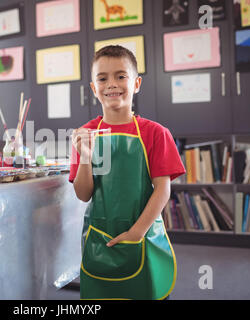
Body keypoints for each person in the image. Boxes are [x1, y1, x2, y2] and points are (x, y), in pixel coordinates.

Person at [70, 45, 186, 300]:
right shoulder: (84, 135)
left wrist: (137, 232)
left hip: (143, 233)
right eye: (102, 78)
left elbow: (163, 189)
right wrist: (86, 158)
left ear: (136, 83)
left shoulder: (156, 133)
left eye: (121, 76)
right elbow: (83, 194)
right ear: (93, 88)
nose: (112, 84)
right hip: (99, 235)